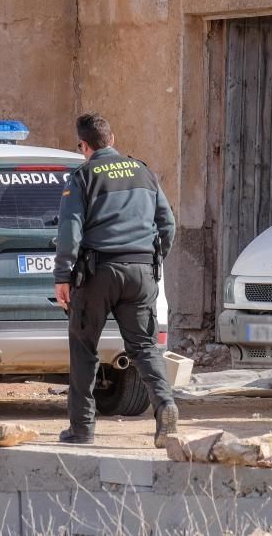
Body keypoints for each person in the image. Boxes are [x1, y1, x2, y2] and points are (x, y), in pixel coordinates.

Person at [54, 112, 178, 447]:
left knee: (84, 348)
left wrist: (63, 275)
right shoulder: (143, 172)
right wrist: (152, 259)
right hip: (141, 272)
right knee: (144, 346)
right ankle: (165, 407)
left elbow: (70, 232)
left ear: (84, 146)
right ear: (112, 139)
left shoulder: (83, 176)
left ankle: (82, 428)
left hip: (97, 273)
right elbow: (168, 224)